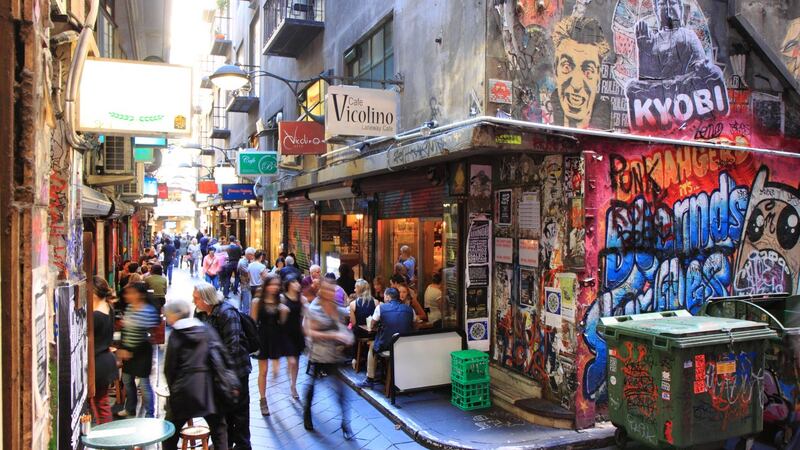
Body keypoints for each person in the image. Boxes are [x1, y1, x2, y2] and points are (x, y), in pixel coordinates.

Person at [193, 282, 252, 450]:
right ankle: (225, 443)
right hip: (216, 373)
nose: (193, 301)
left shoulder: (227, 313)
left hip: (236, 371)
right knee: (221, 411)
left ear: (206, 299)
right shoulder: (201, 314)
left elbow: (232, 348)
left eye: (196, 298)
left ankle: (242, 445)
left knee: (239, 412)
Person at [162, 300, 228, 450]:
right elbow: (220, 357)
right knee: (219, 429)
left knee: (170, 431)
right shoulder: (207, 330)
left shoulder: (176, 335)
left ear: (174, 316)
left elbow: (169, 368)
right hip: (208, 389)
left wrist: (173, 390)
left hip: (183, 390)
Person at [303, 278, 354, 439]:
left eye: (333, 291)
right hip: (317, 354)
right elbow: (309, 332)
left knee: (341, 390)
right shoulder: (314, 308)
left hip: (333, 355)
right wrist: (332, 334)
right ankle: (307, 413)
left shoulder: (335, 307)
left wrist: (347, 335)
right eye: (328, 290)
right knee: (312, 385)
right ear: (321, 291)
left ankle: (345, 423)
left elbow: (342, 324)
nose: (331, 294)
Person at [116, 282, 160, 418]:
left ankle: (150, 414)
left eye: (131, 293)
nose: (127, 295)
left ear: (139, 295)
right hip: (128, 351)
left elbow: (146, 336)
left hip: (141, 353)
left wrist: (130, 351)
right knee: (127, 381)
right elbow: (125, 330)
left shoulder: (148, 311)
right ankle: (130, 409)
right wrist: (123, 348)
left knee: (144, 384)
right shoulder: (129, 308)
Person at [360, 287, 415, 387]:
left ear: (388, 297)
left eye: (385, 296)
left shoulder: (381, 308)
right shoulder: (410, 309)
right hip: (406, 347)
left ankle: (370, 378)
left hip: (387, 346)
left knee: (372, 346)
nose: (384, 298)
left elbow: (372, 325)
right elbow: (415, 325)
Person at [251, 275, 288, 416]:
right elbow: (252, 322)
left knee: (275, 370)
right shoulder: (257, 302)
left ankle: (269, 392)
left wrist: (284, 312)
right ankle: (262, 399)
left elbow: (283, 323)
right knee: (263, 371)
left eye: (277, 285)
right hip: (262, 337)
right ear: (266, 285)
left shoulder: (281, 300)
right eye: (272, 284)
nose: (274, 287)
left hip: (276, 337)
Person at [90, 276, 118, 424]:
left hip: (98, 362)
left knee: (100, 404)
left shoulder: (95, 316)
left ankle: (106, 439)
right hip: (106, 359)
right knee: (102, 403)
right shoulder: (108, 307)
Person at [281, 275, 306, 400]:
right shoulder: (283, 298)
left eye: (298, 282)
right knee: (292, 361)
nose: (298, 284)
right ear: (289, 284)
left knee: (295, 361)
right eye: (295, 282)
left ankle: (293, 385)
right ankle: (291, 380)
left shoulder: (301, 298)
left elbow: (304, 315)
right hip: (286, 333)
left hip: (297, 333)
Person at [238, 248, 254, 315]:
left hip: (246, 284)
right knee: (246, 302)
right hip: (245, 284)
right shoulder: (243, 262)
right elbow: (248, 273)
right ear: (249, 255)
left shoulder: (246, 261)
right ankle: (245, 316)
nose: (253, 257)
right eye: (253, 255)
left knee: (245, 301)